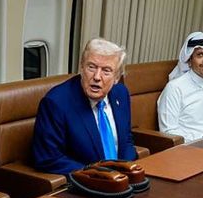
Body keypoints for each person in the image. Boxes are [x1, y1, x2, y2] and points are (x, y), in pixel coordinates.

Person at [32, 38, 137, 174]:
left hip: (122, 181)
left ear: (116, 77)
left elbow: (126, 139)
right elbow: (48, 159)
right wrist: (96, 174)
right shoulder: (56, 103)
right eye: (91, 67)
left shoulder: (121, 94)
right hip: (86, 184)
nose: (97, 77)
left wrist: (129, 169)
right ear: (81, 67)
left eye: (106, 71)